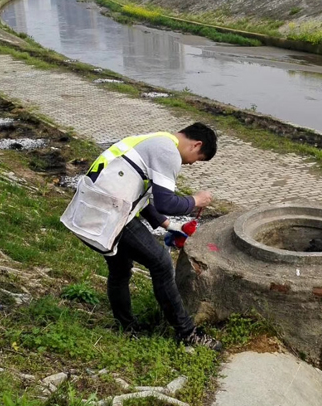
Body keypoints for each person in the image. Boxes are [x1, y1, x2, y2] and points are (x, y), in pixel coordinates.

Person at [61, 123, 222, 350]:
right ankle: (188, 334)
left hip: (93, 211)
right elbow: (166, 202)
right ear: (197, 144)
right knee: (162, 264)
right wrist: (195, 200)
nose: (192, 163)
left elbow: (138, 193)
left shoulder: (152, 140)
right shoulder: (169, 152)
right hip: (110, 214)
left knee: (120, 269)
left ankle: (127, 327)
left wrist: (167, 225)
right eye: (198, 158)